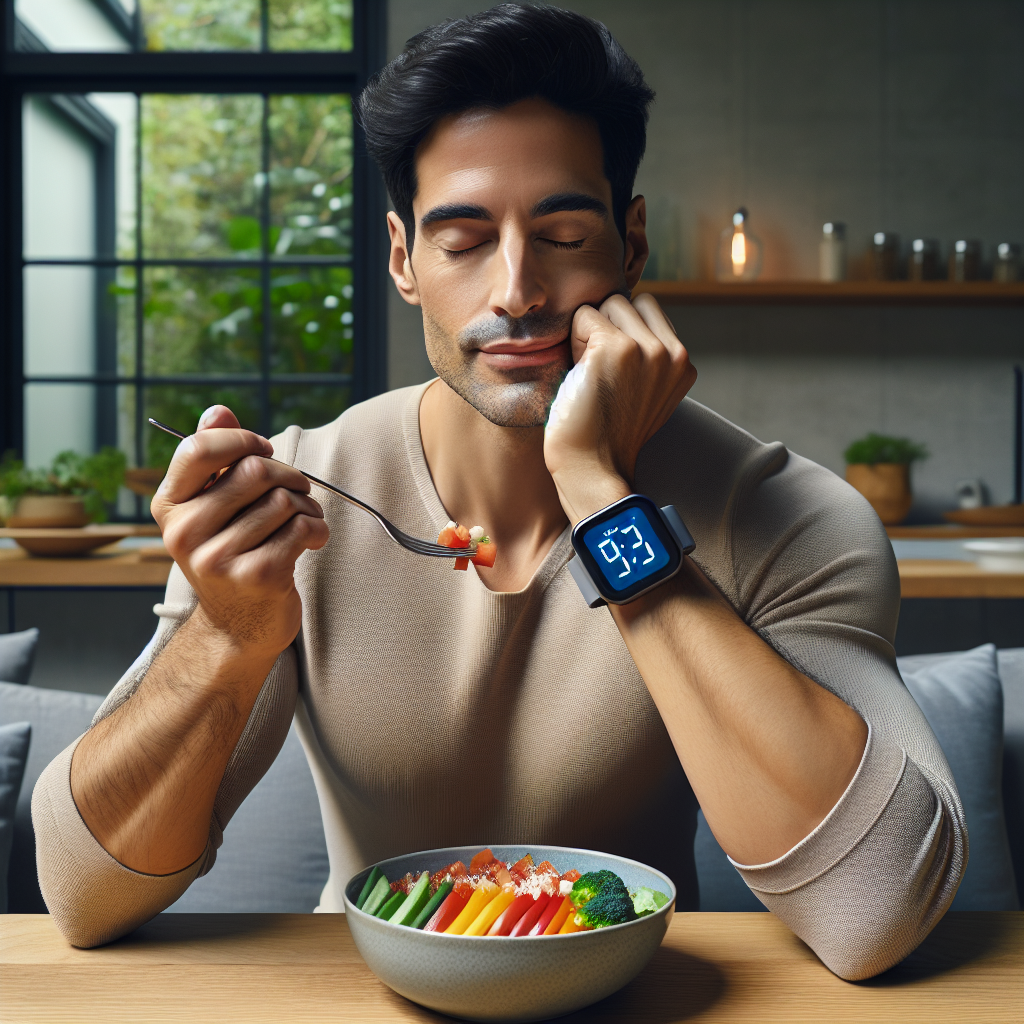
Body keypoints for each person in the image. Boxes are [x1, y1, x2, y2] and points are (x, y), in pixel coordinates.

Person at [33, 4, 963, 980]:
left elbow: (875, 910)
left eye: (562, 232)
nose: (516, 289)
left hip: (635, 1000)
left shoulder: (790, 517)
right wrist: (225, 638)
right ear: (403, 260)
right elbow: (82, 892)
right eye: (464, 239)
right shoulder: (293, 495)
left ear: (630, 244)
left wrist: (601, 498)